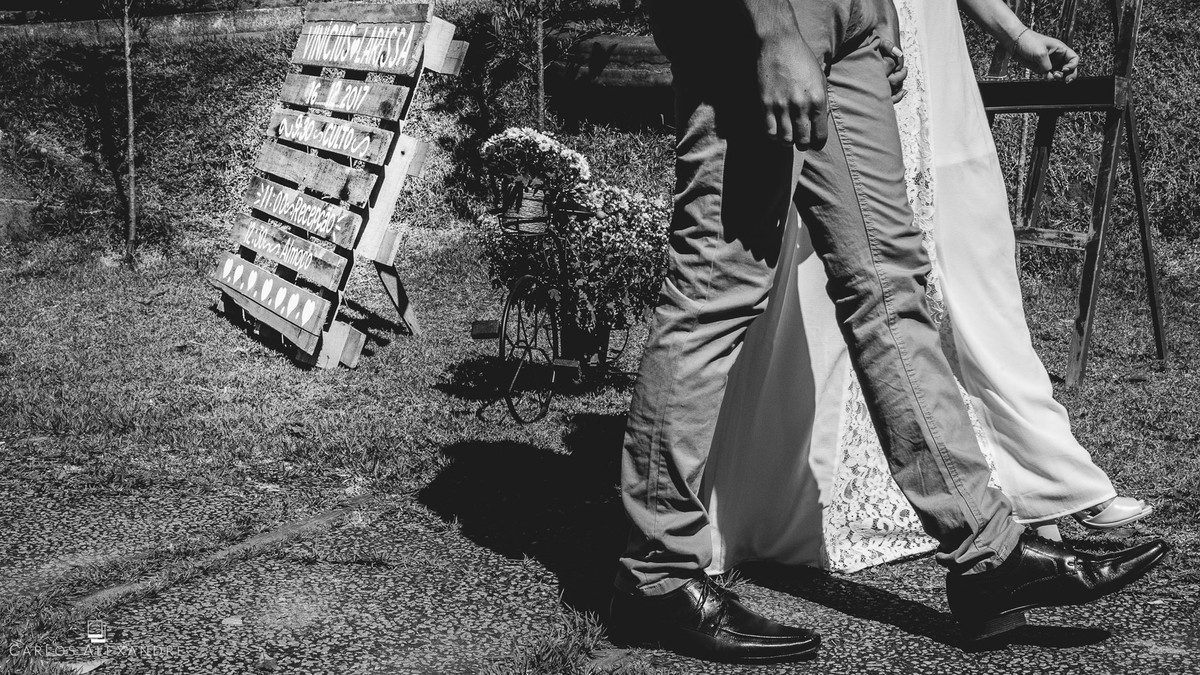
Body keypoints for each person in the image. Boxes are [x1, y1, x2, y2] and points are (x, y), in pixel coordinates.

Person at [608, 0, 1168, 664]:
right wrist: (779, 31)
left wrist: (876, 17)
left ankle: (989, 557)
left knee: (890, 289)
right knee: (718, 290)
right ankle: (656, 574)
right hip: (751, 29)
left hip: (846, 31)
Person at [702, 0, 1153, 577]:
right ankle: (748, 518)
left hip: (916, 36)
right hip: (826, 28)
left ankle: (1026, 488)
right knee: (842, 273)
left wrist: (1013, 31)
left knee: (953, 259)